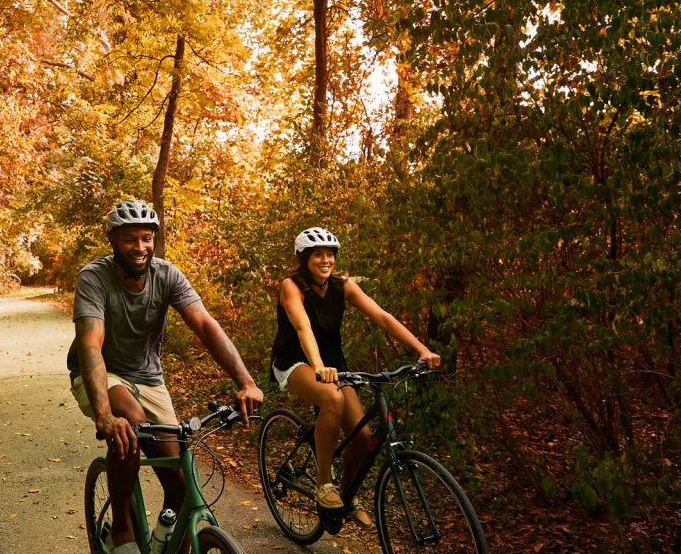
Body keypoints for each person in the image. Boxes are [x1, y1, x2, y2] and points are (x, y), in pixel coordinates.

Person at [68, 200, 264, 554]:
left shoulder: (167, 275)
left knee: (181, 483)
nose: (140, 247)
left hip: (148, 377)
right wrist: (104, 414)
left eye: (146, 238)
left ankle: (165, 542)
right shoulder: (94, 277)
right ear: (113, 240)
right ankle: (122, 530)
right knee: (131, 420)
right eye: (130, 239)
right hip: (100, 372)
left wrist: (246, 382)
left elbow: (206, 325)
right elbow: (91, 344)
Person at [269, 226, 441, 528]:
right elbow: (302, 327)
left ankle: (347, 494)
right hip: (295, 360)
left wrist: (421, 349)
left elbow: (382, 316)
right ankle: (324, 484)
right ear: (304, 258)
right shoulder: (291, 285)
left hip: (333, 363)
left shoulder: (342, 285)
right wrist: (318, 366)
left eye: (330, 254)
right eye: (318, 255)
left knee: (362, 436)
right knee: (332, 398)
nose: (325, 260)